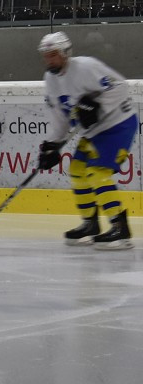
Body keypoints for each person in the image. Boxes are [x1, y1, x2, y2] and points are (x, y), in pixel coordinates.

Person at [36, 32, 138, 249]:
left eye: (53, 55)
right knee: (77, 170)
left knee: (97, 172)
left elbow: (119, 87)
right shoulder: (50, 79)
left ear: (65, 53)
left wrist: (96, 104)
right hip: (93, 131)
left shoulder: (86, 67)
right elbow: (61, 117)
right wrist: (52, 145)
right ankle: (90, 224)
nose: (49, 60)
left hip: (118, 123)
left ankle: (120, 228)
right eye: (46, 55)